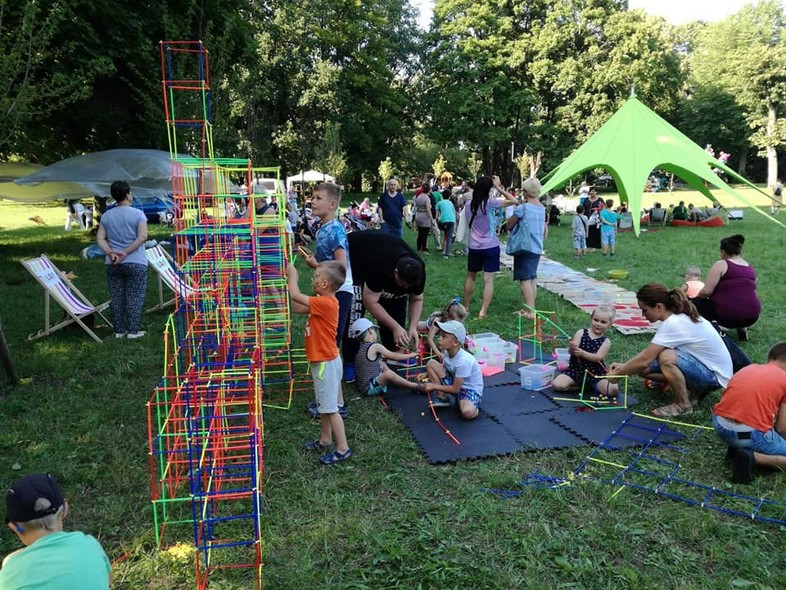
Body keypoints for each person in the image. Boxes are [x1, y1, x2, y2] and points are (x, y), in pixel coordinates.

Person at [609, 283, 733, 418]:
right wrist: (625, 367)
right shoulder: (676, 317)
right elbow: (648, 354)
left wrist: (618, 375)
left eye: (644, 310)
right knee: (643, 369)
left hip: (714, 377)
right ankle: (696, 390)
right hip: (708, 368)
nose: (643, 315)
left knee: (666, 357)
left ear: (658, 307)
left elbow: (645, 359)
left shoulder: (673, 324)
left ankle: (683, 405)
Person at [286, 261, 351, 465]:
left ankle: (342, 448)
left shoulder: (326, 303)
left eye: (315, 277)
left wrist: (292, 277)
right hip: (323, 362)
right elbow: (296, 307)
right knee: (324, 404)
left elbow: (296, 296)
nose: (312, 279)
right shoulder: (321, 301)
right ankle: (325, 439)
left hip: (326, 363)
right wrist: (285, 286)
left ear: (324, 284)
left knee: (331, 408)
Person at [298, 183, 353, 417]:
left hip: (339, 292)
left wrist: (316, 265)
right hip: (328, 290)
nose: (313, 201)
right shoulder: (322, 228)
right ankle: (332, 399)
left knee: (331, 347)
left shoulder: (336, 230)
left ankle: (338, 403)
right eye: (313, 197)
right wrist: (314, 257)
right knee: (327, 343)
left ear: (332, 204)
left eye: (318, 198)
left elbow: (341, 267)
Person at [1, 473, 112, 589]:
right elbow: (108, 580)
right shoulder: (90, 545)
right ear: (65, 509)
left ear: (13, 527)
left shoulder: (9, 574)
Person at [712, 342, 786, 484]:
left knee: (746, 430)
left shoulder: (749, 368)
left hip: (720, 426)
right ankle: (755, 458)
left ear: (770, 358)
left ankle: (737, 448)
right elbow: (782, 428)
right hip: (749, 434)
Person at [346, 230, 426, 355]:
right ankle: (350, 359)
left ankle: (391, 353)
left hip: (384, 257)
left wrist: (412, 327)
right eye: (403, 283)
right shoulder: (380, 266)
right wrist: (395, 327)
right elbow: (370, 302)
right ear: (395, 272)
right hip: (355, 256)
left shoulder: (419, 269)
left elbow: (417, 298)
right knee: (355, 311)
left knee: (396, 316)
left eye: (408, 286)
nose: (405, 287)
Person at [461, 175, 519, 319]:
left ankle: (466, 308)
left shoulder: (468, 205)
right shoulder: (490, 203)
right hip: (490, 246)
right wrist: (498, 187)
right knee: (488, 280)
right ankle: (483, 312)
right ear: (489, 189)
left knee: (470, 278)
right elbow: (514, 200)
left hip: (474, 246)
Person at [96, 180, 148, 339]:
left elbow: (100, 239)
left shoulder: (106, 216)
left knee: (117, 297)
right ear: (127, 194)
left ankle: (119, 331)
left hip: (113, 264)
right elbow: (143, 237)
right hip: (136, 262)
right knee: (135, 296)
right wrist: (125, 252)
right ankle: (133, 331)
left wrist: (111, 253)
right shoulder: (138, 214)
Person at [693, 234, 760, 341]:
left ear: (723, 252)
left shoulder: (722, 264)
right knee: (739, 298)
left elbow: (706, 292)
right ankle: (742, 328)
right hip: (752, 316)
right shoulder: (749, 267)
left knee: (693, 303)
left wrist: (695, 297)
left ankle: (701, 332)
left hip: (727, 317)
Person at [552, 305, 618, 401]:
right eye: (596, 320)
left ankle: (589, 385)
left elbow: (598, 357)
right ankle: (582, 386)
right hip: (575, 371)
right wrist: (572, 347)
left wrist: (583, 354)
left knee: (612, 390)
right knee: (557, 385)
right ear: (591, 319)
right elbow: (571, 352)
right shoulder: (581, 333)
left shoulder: (606, 341)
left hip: (595, 373)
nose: (598, 324)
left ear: (610, 324)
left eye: (603, 322)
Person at [423, 320, 483, 420]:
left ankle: (473, 406)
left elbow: (455, 389)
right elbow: (445, 368)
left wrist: (433, 386)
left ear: (455, 342)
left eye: (444, 337)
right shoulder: (448, 352)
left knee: (467, 413)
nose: (439, 339)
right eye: (440, 335)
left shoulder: (464, 361)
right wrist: (426, 373)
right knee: (431, 363)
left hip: (469, 391)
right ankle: (442, 398)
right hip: (456, 384)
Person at [350, 317, 423, 396]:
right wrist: (411, 355)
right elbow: (394, 356)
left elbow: (387, 355)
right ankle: (414, 386)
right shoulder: (375, 346)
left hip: (363, 385)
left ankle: (397, 381)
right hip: (369, 388)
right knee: (388, 374)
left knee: (383, 363)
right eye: (374, 330)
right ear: (370, 330)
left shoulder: (362, 348)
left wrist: (401, 351)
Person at [506, 177, 547, 317]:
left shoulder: (522, 208)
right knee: (532, 278)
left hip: (524, 247)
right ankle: (531, 307)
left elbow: (509, 225)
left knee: (524, 280)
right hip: (537, 247)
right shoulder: (542, 208)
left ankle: (530, 311)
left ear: (526, 192)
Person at [413, 183, 433, 253]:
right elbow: (428, 209)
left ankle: (419, 248)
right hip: (424, 216)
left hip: (418, 215)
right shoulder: (427, 198)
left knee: (420, 233)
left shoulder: (418, 196)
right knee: (425, 234)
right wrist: (431, 219)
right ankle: (424, 249)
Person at [435, 193, 456, 258]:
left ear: (442, 196)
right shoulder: (451, 203)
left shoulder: (439, 203)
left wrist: (437, 221)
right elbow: (453, 212)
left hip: (443, 221)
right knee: (449, 237)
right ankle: (447, 253)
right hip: (451, 220)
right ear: (449, 197)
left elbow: (437, 214)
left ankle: (444, 250)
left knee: (446, 235)